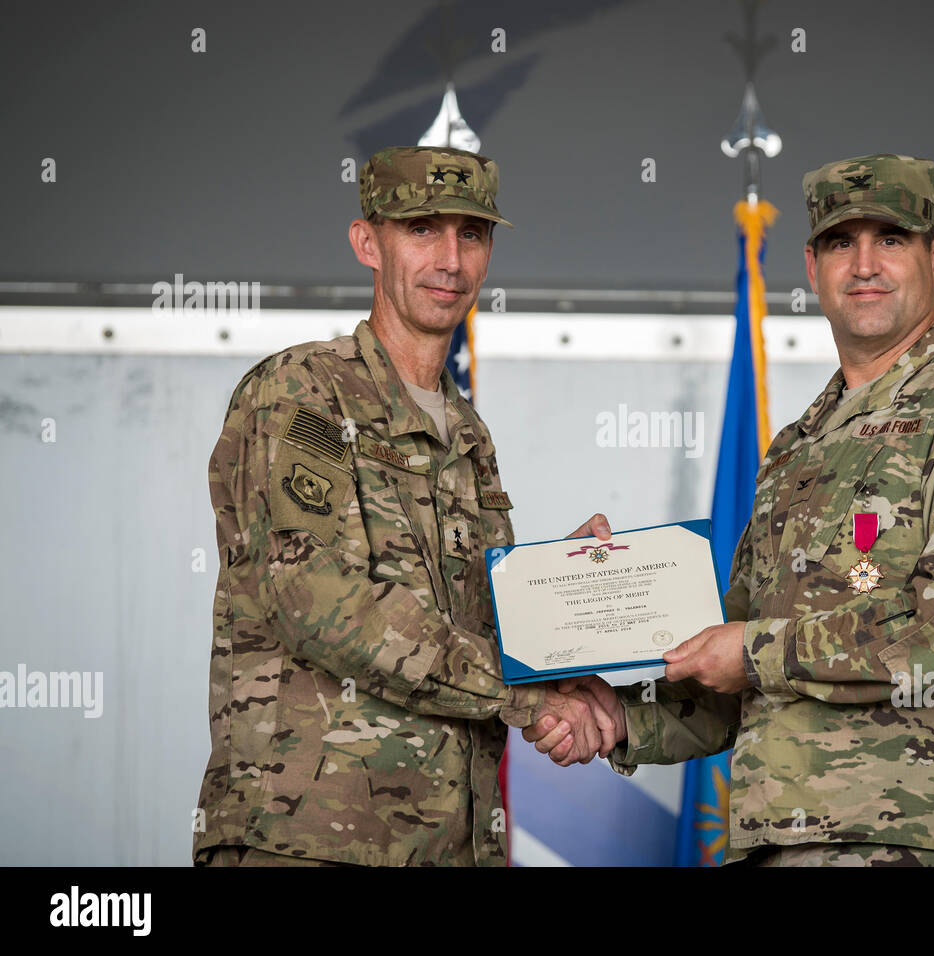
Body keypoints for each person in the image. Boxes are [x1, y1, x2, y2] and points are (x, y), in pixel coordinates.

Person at [524, 154, 934, 866]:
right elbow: (730, 684)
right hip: (774, 841)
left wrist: (752, 652)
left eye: (891, 240)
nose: (865, 264)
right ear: (813, 268)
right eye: (843, 243)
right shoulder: (798, 448)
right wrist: (617, 718)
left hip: (916, 840)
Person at [193, 145, 617, 867]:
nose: (450, 259)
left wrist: (554, 591)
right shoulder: (305, 393)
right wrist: (527, 701)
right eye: (422, 229)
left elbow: (459, 620)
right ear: (368, 243)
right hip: (309, 842)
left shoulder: (467, 434)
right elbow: (321, 601)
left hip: (451, 844)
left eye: (472, 234)